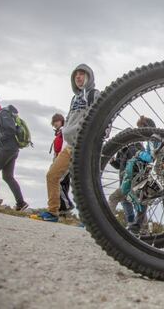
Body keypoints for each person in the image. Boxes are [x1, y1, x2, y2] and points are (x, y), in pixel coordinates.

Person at [31, 64, 99, 222]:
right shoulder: (74, 98)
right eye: (76, 75)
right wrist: (67, 130)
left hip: (85, 146)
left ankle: (88, 220)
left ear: (89, 76)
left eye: (82, 74)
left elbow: (101, 115)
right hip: (70, 146)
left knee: (85, 184)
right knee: (52, 175)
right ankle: (53, 212)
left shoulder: (94, 94)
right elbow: (69, 118)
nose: (78, 77)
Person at [0, 97, 28, 211]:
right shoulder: (1, 114)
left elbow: (10, 129)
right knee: (8, 176)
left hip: (7, 148)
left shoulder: (2, 113)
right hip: (12, 149)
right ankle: (21, 203)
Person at [50, 113, 74, 216]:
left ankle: (66, 205)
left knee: (55, 180)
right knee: (63, 184)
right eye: (53, 122)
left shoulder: (65, 130)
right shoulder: (59, 132)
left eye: (57, 121)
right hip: (60, 158)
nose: (55, 123)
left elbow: (65, 145)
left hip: (64, 157)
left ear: (61, 121)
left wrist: (59, 159)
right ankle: (63, 210)